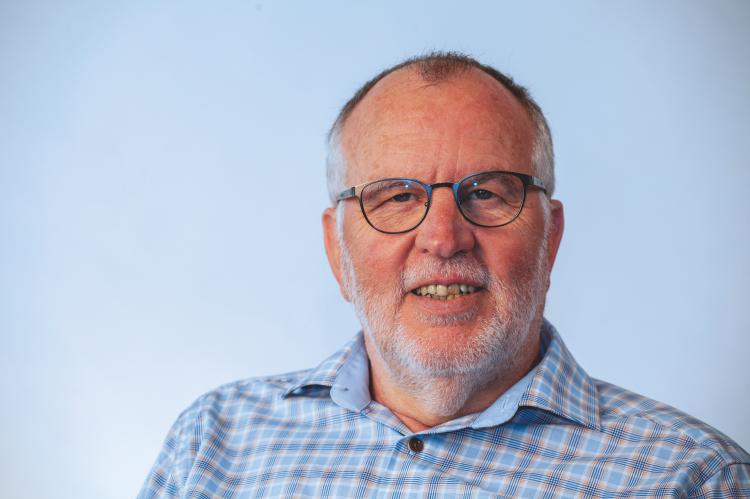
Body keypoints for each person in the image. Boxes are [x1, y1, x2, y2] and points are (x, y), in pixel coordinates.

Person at [139, 52, 749, 498]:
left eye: (485, 192)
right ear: (335, 248)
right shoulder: (215, 442)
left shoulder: (694, 478)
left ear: (551, 238)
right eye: (397, 197)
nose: (443, 237)